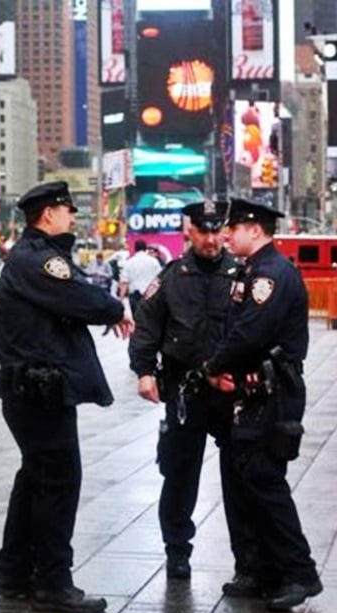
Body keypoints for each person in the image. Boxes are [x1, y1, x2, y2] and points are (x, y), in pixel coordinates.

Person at [0, 181, 133, 613]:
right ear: (48, 215)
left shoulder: (31, 257)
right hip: (39, 391)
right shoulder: (39, 259)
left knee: (35, 477)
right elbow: (78, 294)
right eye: (68, 210)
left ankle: (15, 573)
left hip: (33, 389)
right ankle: (54, 583)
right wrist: (115, 310)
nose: (73, 217)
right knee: (59, 480)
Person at [203, 198, 322, 612]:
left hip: (274, 393)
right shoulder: (250, 271)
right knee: (248, 479)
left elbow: (250, 334)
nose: (224, 235)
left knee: (265, 481)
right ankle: (265, 571)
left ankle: (300, 573)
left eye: (232, 228)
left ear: (255, 229)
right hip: (252, 392)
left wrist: (211, 367)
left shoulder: (270, 275)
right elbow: (230, 328)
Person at [128, 200, 245, 581]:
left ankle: (248, 558)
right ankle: (177, 550)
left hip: (230, 389)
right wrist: (144, 370)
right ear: (188, 232)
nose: (211, 239)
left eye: (216, 231)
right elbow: (146, 324)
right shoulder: (172, 277)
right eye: (203, 231)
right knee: (180, 474)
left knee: (241, 476)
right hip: (185, 390)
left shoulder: (241, 274)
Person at [120, 239, 162, 317]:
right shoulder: (154, 261)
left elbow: (124, 282)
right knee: (151, 319)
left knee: (137, 320)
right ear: (145, 249)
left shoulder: (129, 262)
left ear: (135, 249)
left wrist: (121, 298)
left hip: (135, 297)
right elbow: (160, 279)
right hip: (151, 295)